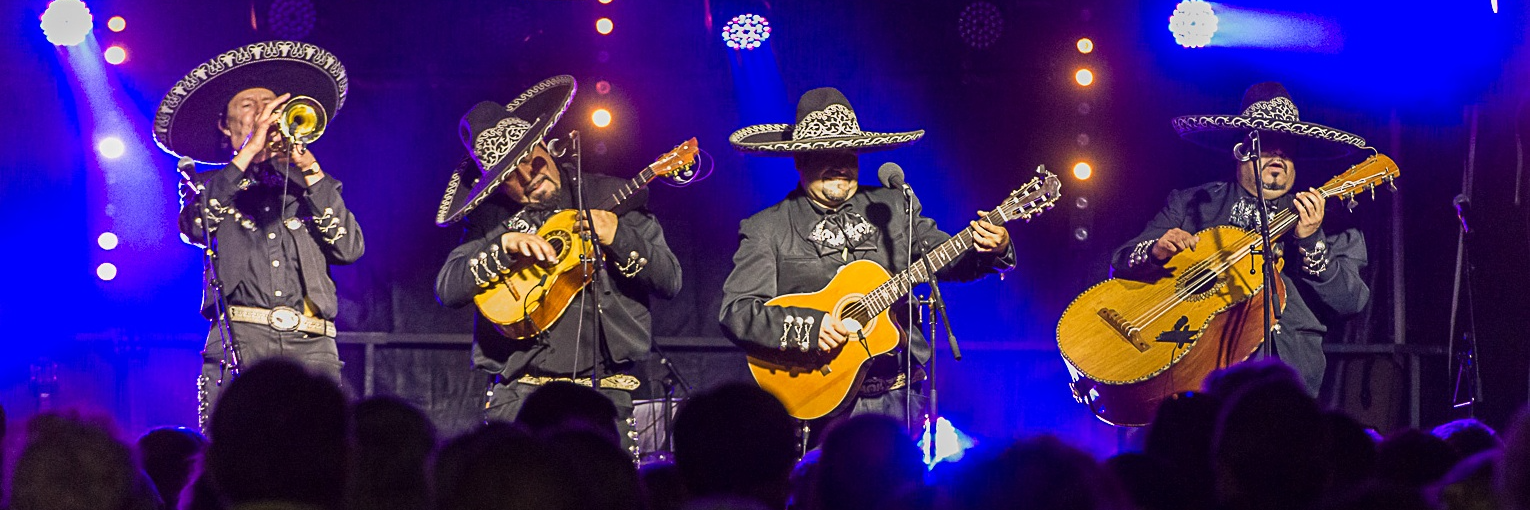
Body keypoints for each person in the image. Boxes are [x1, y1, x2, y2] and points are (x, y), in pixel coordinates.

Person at [719, 87, 1014, 434]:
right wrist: (812, 327)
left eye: (849, 153)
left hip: (899, 392)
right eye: (825, 153)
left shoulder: (892, 205)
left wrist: (993, 248)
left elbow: (946, 259)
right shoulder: (767, 227)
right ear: (799, 160)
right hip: (818, 396)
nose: (840, 165)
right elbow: (738, 313)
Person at [434, 76, 682, 456]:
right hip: (520, 396)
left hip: (607, 394)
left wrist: (618, 235)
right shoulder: (491, 218)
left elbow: (670, 280)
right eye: (508, 176)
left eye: (530, 159)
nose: (528, 176)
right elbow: (447, 288)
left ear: (546, 145)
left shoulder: (608, 195)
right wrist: (502, 246)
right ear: (497, 186)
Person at [1110, 82, 1371, 394]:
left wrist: (1311, 240)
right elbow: (1122, 262)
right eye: (1266, 145)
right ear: (1241, 150)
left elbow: (1351, 302)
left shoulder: (1325, 217)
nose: (1277, 156)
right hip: (1196, 373)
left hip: (1287, 377)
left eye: (1286, 149)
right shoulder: (1194, 202)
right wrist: (1155, 251)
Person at [153, 40, 363, 428]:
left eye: (273, 106)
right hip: (240, 339)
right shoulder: (205, 183)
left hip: (313, 345)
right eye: (250, 106)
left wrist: (312, 172)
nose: (266, 114)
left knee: (322, 459)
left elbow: (348, 249)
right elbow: (198, 227)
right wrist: (248, 153)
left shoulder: (314, 184)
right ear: (224, 124)